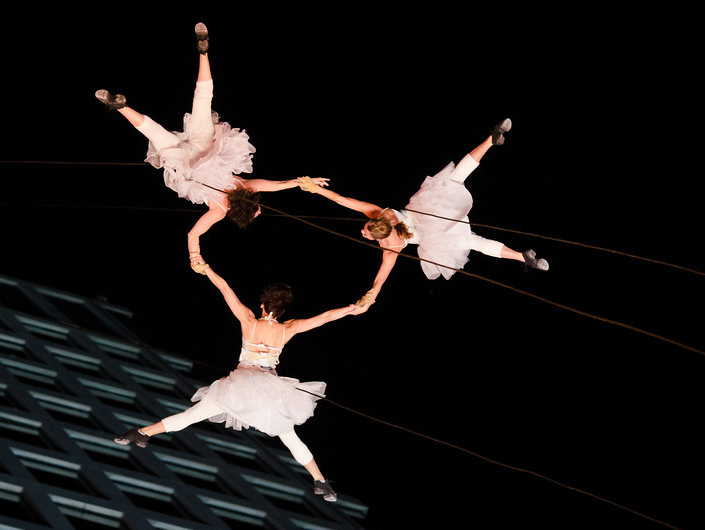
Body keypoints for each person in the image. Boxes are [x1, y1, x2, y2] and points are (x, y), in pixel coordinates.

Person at [113, 263, 360, 503]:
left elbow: (226, 290)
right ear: (283, 311)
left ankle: (140, 433)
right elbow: (325, 317)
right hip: (270, 388)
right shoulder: (289, 328)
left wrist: (207, 268)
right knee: (288, 435)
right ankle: (320, 481)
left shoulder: (250, 321)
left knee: (192, 415)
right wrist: (352, 308)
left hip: (239, 386)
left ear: (263, 306)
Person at [95, 23, 328, 273]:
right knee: (154, 132)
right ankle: (119, 107)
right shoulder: (218, 210)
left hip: (206, 146)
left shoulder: (247, 186)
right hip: (183, 160)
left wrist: (306, 182)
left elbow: (281, 185)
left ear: (251, 204)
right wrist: (196, 259)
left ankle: (203, 52)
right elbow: (192, 235)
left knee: (203, 100)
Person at [298, 119, 549, 309]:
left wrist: (315, 190)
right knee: (455, 180)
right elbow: (345, 202)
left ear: (380, 229)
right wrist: (371, 294)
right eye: (366, 232)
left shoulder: (391, 246)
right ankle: (490, 141)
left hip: (434, 228)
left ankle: (522, 257)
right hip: (430, 211)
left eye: (366, 231)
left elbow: (344, 202)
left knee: (474, 242)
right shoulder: (378, 214)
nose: (362, 231)